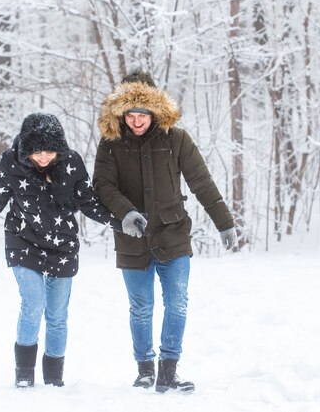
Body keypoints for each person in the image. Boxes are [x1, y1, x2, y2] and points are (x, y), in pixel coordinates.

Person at [0, 112, 135, 388]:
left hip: (62, 245)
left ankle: (54, 377)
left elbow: (89, 202)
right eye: (37, 152)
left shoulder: (72, 163)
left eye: (49, 152)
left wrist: (120, 222)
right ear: (26, 149)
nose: (43, 158)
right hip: (23, 241)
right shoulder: (12, 161)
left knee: (57, 314)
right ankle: (23, 373)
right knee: (33, 302)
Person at [93, 71, 237, 393]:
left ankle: (168, 372)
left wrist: (224, 221)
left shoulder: (176, 139)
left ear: (154, 110)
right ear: (121, 113)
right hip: (132, 238)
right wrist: (126, 212)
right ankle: (145, 369)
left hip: (173, 235)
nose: (136, 120)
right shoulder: (111, 144)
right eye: (130, 114)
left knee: (177, 302)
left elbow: (201, 182)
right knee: (141, 307)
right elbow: (102, 185)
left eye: (141, 113)